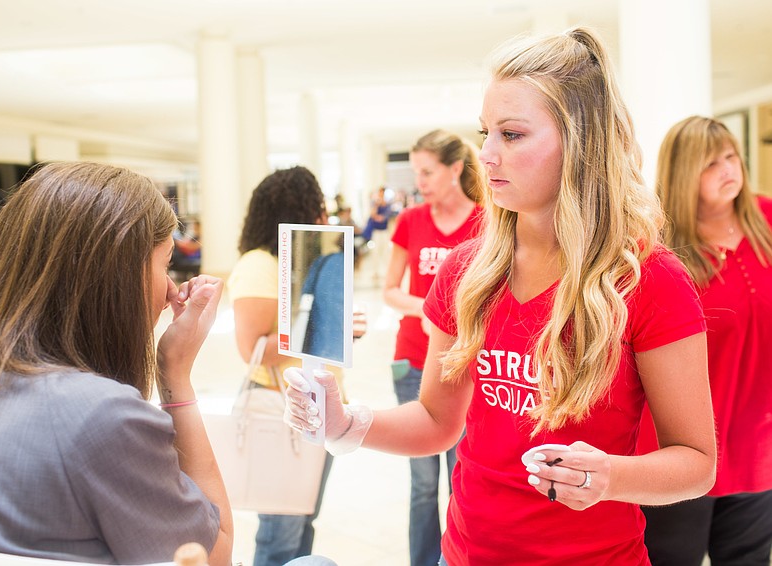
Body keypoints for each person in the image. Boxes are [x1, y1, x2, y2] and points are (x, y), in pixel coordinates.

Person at [284, 27, 716, 565]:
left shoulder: (649, 279)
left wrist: (611, 476)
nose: (485, 155)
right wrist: (347, 424)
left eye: (511, 135)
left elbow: (697, 464)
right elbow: (438, 421)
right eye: (485, 131)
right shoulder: (469, 272)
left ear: (582, 143)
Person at [0, 162, 234, 565]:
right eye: (165, 264)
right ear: (120, 275)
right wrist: (175, 375)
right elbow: (218, 552)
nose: (171, 289)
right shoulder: (105, 418)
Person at [637, 116, 772, 566]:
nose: (728, 169)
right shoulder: (657, 252)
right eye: (711, 163)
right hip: (680, 451)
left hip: (758, 446)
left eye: (732, 157)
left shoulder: (767, 221)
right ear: (683, 173)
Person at [228, 166, 339, 566]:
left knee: (305, 520)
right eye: (317, 208)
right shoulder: (260, 264)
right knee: (281, 531)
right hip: (281, 404)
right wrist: (322, 322)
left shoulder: (304, 263)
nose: (323, 218)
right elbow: (252, 346)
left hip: (317, 406)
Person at [383, 129, 485, 566]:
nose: (420, 181)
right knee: (423, 483)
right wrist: (426, 310)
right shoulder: (410, 221)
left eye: (428, 171)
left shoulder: (487, 219)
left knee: (462, 476)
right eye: (416, 172)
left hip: (467, 365)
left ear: (455, 169)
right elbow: (390, 289)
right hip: (412, 360)